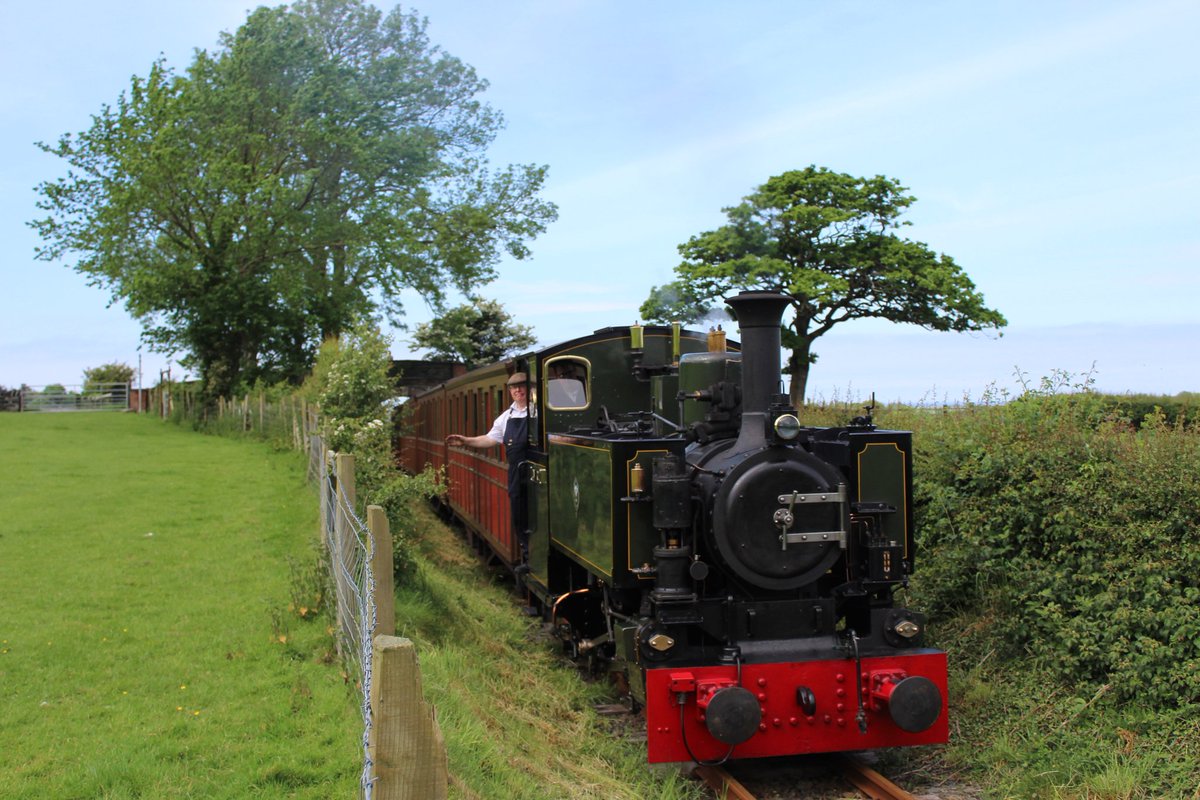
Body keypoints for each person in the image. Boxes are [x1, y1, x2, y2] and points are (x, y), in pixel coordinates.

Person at [445, 372, 532, 566]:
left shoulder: (538, 412)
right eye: (514, 387)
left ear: (530, 388)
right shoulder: (506, 417)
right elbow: (490, 439)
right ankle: (528, 556)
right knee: (519, 515)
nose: (518, 390)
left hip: (535, 472)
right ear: (510, 391)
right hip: (516, 473)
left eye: (521, 386)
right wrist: (466, 441)